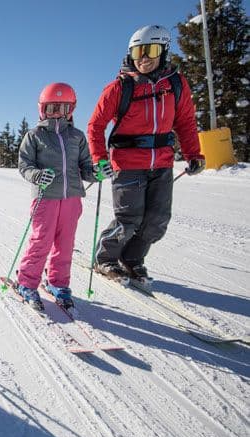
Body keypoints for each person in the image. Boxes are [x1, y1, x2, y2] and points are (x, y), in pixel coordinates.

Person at [88, 25, 205, 284]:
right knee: (129, 218)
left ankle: (132, 259)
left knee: (157, 220)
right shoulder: (120, 87)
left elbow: (185, 122)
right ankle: (105, 258)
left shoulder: (176, 84)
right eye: (138, 51)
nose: (143, 58)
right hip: (128, 163)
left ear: (163, 51)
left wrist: (193, 153)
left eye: (150, 50)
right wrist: (99, 158)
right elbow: (96, 125)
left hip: (161, 162)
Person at [16, 83, 97, 310]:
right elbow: (24, 165)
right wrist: (37, 175)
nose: (57, 112)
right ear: (42, 109)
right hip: (46, 198)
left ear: (71, 110)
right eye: (52, 108)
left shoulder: (77, 137)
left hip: (71, 198)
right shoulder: (34, 136)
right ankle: (27, 282)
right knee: (41, 241)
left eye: (63, 107)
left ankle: (57, 283)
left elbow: (86, 168)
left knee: (65, 243)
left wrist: (97, 173)